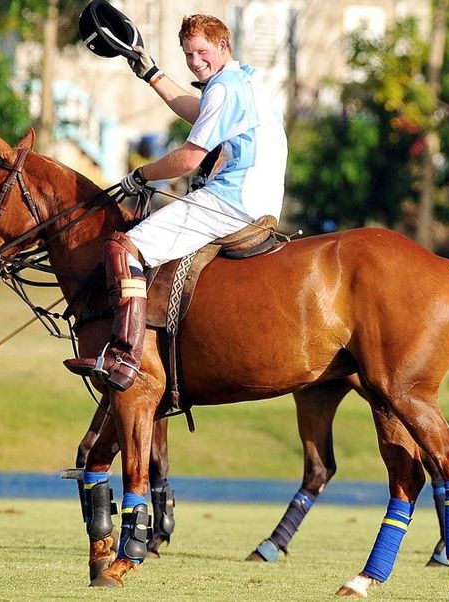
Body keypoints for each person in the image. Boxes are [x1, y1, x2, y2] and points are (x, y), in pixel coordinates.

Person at [65, 14, 288, 391]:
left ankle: (124, 355)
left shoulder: (222, 89)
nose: (195, 61)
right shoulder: (244, 79)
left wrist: (139, 175)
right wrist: (151, 73)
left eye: (202, 51)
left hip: (232, 200)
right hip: (260, 198)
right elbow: (198, 112)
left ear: (223, 45)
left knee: (123, 246)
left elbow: (188, 159)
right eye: (188, 55)